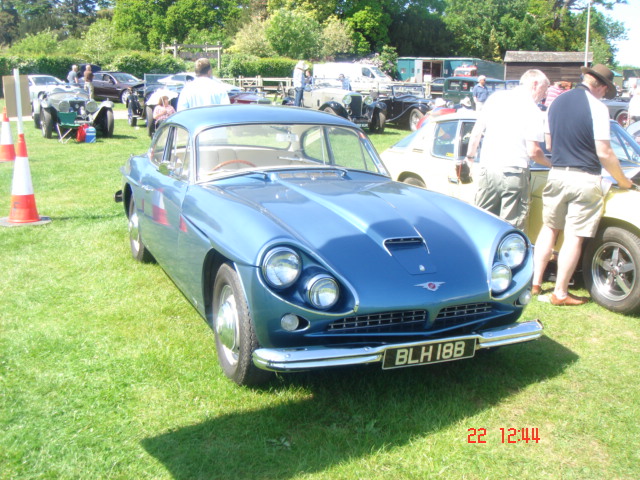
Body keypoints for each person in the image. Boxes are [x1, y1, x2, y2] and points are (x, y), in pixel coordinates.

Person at [531, 64, 634, 306]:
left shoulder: (556, 103)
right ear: (599, 86)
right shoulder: (596, 107)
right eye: (605, 90)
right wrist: (622, 181)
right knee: (574, 236)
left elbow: (550, 143)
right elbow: (605, 152)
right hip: (584, 176)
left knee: (549, 228)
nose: (603, 95)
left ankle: (536, 283)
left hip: (556, 173)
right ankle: (560, 292)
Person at [464, 69, 551, 232]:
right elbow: (534, 152)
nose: (544, 95)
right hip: (514, 172)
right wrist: (551, 164)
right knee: (510, 228)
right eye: (544, 89)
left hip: (488, 169)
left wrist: (469, 158)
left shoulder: (496, 98)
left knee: (482, 220)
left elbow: (476, 133)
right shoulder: (532, 110)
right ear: (534, 84)